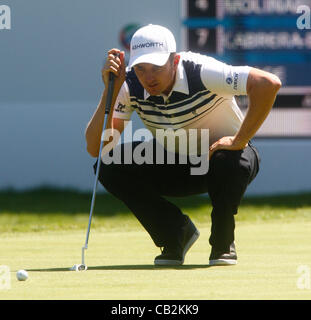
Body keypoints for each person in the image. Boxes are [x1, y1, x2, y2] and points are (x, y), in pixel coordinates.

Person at [85, 24, 281, 266]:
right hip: (178, 162)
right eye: (141, 68)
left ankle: (222, 243)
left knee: (227, 160)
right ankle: (175, 232)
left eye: (156, 68)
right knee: (109, 165)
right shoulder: (129, 83)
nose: (148, 77)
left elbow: (268, 83)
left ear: (175, 60)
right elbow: (96, 147)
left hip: (226, 160)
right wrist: (110, 91)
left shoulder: (200, 70)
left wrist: (239, 139)